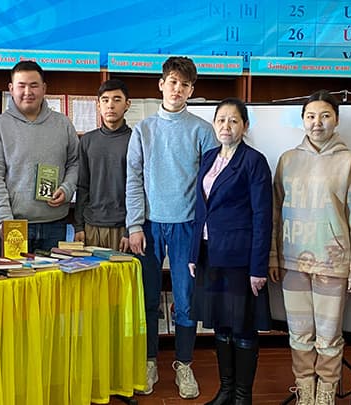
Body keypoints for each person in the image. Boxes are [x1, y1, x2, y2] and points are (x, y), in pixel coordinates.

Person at [126, 56, 215, 398]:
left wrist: (205, 229)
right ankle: (150, 361)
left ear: (192, 90)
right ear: (161, 84)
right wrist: (135, 224)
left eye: (185, 84)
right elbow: (133, 180)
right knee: (148, 298)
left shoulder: (202, 130)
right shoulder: (143, 129)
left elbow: (211, 184)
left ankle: (184, 364)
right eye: (173, 82)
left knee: (185, 300)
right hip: (149, 226)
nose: (178, 89)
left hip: (187, 227)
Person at [268, 90, 351, 405]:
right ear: (303, 120)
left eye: (325, 116)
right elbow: (275, 212)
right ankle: (305, 389)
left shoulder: (348, 161)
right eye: (310, 116)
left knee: (328, 335)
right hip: (292, 261)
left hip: (332, 262)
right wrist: (273, 255)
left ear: (336, 120)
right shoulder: (287, 160)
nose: (317, 122)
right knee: (299, 333)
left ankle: (326, 392)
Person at [188, 98, 272, 405]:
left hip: (240, 258)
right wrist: (193, 254)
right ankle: (225, 391)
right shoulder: (209, 157)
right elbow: (201, 209)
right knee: (220, 325)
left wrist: (258, 268)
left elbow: (263, 216)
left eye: (234, 120)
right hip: (209, 254)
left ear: (245, 126)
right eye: (221, 120)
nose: (226, 126)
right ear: (214, 124)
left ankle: (242, 396)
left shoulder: (254, 161)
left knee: (242, 326)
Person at [0, 60, 79, 252]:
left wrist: (67, 188)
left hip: (55, 224)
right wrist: (4, 221)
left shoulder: (63, 124)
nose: (28, 92)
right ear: (11, 89)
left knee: (53, 273)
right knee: (13, 273)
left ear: (44, 88)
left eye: (34, 85)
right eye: (22, 86)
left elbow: (75, 162)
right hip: (13, 225)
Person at [73, 79, 132, 250]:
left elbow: (140, 189)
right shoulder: (87, 140)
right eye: (105, 100)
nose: (110, 105)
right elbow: (82, 185)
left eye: (117, 99)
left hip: (123, 226)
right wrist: (79, 226)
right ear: (98, 106)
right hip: (91, 226)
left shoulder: (135, 139)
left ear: (127, 104)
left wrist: (131, 229)